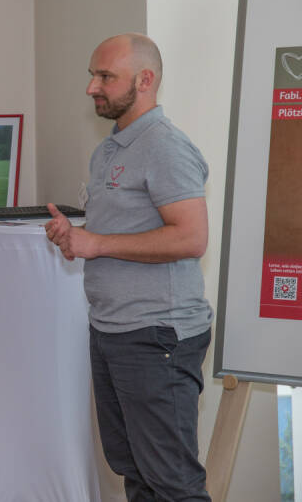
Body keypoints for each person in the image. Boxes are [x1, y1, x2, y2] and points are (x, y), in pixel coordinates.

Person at [44, 33, 212, 502]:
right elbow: (117, 237)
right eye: (92, 75)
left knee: (172, 482)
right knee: (135, 472)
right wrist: (75, 239)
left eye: (105, 77)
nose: (91, 88)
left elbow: (191, 236)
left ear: (145, 80)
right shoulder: (110, 150)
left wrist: (95, 243)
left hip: (157, 336)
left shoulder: (165, 146)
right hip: (114, 331)